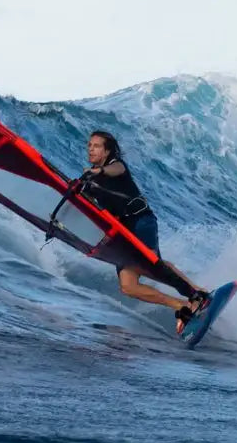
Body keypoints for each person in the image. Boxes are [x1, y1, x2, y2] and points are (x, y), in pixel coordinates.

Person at [77, 130, 210, 333]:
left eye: (96, 146)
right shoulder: (89, 179)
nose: (91, 149)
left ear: (107, 151)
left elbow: (115, 169)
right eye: (89, 145)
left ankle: (196, 295)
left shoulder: (115, 166)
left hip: (141, 221)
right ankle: (182, 306)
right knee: (128, 286)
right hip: (122, 232)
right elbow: (84, 204)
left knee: (150, 262)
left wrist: (98, 172)